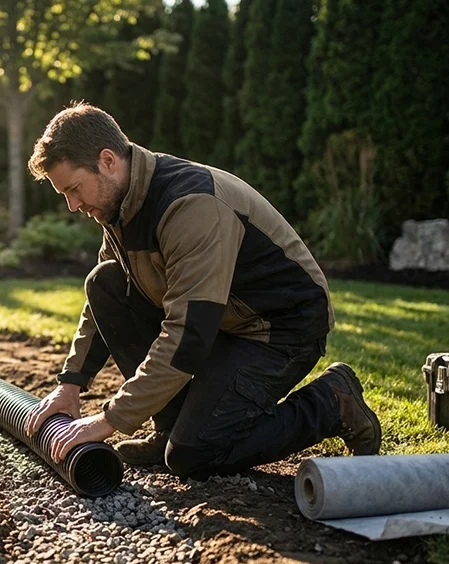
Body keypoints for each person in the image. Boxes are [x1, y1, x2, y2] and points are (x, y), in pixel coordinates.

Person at [22, 103, 381, 478]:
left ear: (108, 160)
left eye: (75, 189)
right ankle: (171, 428)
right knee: (105, 281)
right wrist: (70, 384)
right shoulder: (120, 206)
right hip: (222, 323)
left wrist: (110, 420)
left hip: (278, 329)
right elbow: (110, 299)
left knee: (194, 454)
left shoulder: (190, 204)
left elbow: (188, 333)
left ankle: (331, 403)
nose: (73, 205)